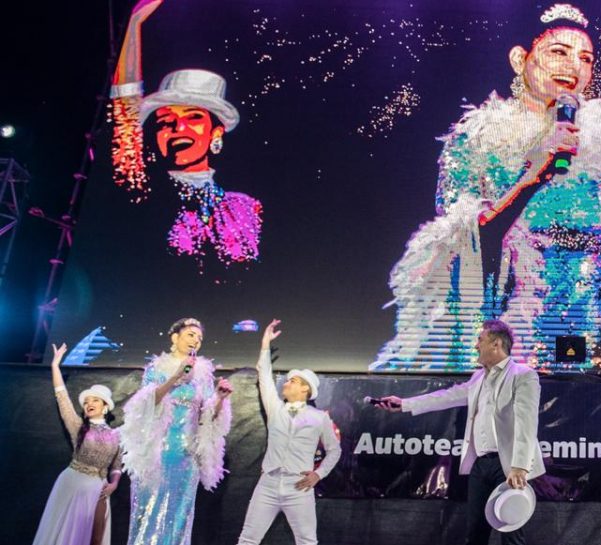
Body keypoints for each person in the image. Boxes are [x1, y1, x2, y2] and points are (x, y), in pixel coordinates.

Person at [374, 3, 601, 375]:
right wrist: (534, 173)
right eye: (559, 52)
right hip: (508, 323)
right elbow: (461, 243)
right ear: (520, 58)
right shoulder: (475, 140)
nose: (573, 67)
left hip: (596, 324)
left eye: (585, 58)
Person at [111, 0, 263, 266]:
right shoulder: (144, 187)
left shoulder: (242, 208)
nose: (178, 128)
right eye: (166, 119)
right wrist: (134, 24)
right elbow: (125, 108)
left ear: (216, 133)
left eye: (193, 118)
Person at [376, 319, 545, 545]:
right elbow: (447, 397)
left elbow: (527, 421)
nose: (476, 346)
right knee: (475, 532)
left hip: (508, 465)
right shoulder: (478, 377)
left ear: (496, 344)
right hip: (481, 465)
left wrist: (520, 466)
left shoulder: (523, 375)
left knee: (511, 534)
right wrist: (405, 404)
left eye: (480, 340)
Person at [120, 318, 234, 545]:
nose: (196, 341)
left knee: (178, 515)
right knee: (149, 510)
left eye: (200, 338)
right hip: (157, 451)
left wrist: (220, 399)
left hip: (186, 454)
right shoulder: (156, 368)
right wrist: (176, 376)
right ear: (175, 337)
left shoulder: (203, 374)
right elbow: (146, 404)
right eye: (191, 335)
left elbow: (208, 416)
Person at [236, 320, 342, 544]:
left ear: (306, 388)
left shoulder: (319, 417)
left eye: (293, 381)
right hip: (269, 483)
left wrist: (318, 474)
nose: (286, 383)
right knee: (248, 538)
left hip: (298, 486)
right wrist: (265, 344)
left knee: (306, 541)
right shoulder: (276, 408)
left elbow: (334, 451)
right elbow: (264, 376)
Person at [32, 343, 123, 545]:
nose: (89, 404)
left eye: (95, 400)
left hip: (98, 489)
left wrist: (114, 483)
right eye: (86, 401)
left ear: (105, 406)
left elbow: (116, 466)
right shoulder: (78, 426)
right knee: (64, 536)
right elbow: (62, 398)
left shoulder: (117, 435)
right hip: (72, 483)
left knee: (95, 539)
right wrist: (55, 365)